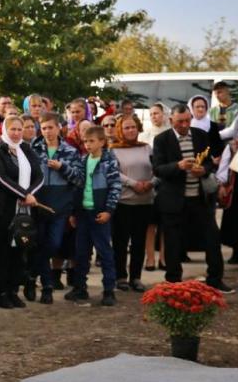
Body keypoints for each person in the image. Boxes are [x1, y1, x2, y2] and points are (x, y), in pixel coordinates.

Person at [153, 105, 232, 293]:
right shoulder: (162, 139)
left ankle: (215, 279)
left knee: (212, 238)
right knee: (173, 242)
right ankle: (174, 282)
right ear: (171, 120)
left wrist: (203, 169)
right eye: (180, 121)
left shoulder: (200, 135)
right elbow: (158, 169)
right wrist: (178, 166)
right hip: (173, 199)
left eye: (187, 120)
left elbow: (209, 162)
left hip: (200, 198)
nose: (184, 124)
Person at [0, 115, 44, 309]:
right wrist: (23, 194)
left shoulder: (26, 150)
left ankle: (13, 291)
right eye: (13, 129)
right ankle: (1, 293)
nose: (16, 133)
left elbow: (39, 175)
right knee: (3, 251)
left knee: (20, 251)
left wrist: (30, 195)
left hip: (26, 210)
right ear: (5, 129)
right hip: (5, 210)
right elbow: (0, 178)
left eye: (20, 129)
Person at [30, 112, 83, 304]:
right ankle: (46, 286)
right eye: (43, 128)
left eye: (51, 127)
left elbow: (78, 178)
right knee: (40, 242)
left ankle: (31, 274)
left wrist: (62, 167)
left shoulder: (69, 150)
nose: (47, 132)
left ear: (59, 127)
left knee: (53, 244)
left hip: (60, 205)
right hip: (38, 204)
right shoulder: (33, 148)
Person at [68, 125, 122, 306]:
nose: (88, 145)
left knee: (105, 252)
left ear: (102, 142)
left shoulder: (110, 161)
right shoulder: (83, 160)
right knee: (81, 253)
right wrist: (74, 212)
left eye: (91, 141)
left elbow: (115, 187)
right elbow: (77, 185)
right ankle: (80, 288)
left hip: (100, 214)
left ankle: (108, 290)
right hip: (83, 213)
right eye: (85, 141)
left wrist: (109, 210)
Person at [110, 115, 154, 293]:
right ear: (121, 130)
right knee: (120, 242)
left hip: (144, 201)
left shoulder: (147, 148)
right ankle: (120, 276)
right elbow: (114, 173)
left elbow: (156, 168)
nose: (130, 130)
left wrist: (150, 183)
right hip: (124, 202)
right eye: (126, 128)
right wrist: (134, 184)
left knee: (139, 242)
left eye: (133, 127)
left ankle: (136, 277)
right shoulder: (114, 150)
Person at [139, 102, 170, 271]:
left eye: (157, 113)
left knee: (165, 223)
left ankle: (164, 257)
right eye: (151, 114)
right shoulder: (143, 136)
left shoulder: (170, 134)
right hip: (147, 182)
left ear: (165, 114)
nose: (154, 116)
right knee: (149, 224)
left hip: (165, 182)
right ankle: (150, 258)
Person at [216, 127, 238, 264]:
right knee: (236, 220)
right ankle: (236, 252)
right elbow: (224, 166)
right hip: (236, 188)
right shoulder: (232, 146)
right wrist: (221, 184)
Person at [189, 95, 225, 163]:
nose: (201, 109)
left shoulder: (213, 125)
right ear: (192, 109)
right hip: (191, 160)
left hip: (210, 161)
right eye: (197, 107)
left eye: (203, 107)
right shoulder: (187, 125)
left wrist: (216, 157)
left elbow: (218, 144)